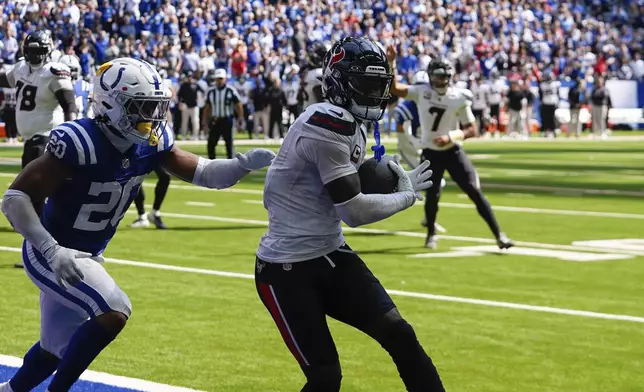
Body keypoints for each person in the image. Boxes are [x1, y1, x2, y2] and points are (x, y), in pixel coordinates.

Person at [0, 57, 275, 392]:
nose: (151, 118)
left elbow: (205, 173)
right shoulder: (79, 141)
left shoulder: (151, 141)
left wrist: (242, 164)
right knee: (115, 310)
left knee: (54, 348)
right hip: (51, 251)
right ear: (111, 106)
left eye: (156, 107)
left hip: (86, 253)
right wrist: (50, 249)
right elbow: (14, 199)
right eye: (142, 107)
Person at [255, 37, 444, 392]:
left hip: (330, 252)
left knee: (401, 335)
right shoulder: (327, 121)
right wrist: (405, 197)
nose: (375, 95)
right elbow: (353, 211)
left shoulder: (350, 120)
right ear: (339, 83)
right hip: (287, 268)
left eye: (379, 85)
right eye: (366, 84)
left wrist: (379, 172)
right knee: (326, 377)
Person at [387, 45, 514, 250]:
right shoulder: (421, 92)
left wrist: (452, 136)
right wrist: (391, 62)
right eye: (438, 77)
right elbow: (394, 89)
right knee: (433, 195)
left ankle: (499, 234)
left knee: (474, 190)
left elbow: (472, 129)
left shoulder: (458, 96)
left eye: (445, 76)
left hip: (453, 151)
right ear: (430, 76)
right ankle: (431, 234)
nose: (442, 81)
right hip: (430, 153)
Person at [0, 31, 79, 269]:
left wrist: (70, 132)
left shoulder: (54, 72)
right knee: (32, 197)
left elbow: (70, 104)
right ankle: (43, 251)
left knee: (31, 196)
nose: (34, 55)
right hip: (32, 140)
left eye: (39, 51)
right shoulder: (21, 68)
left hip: (47, 138)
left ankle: (43, 252)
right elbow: (5, 80)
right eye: (31, 51)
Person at [202, 68, 244, 159]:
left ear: (225, 79)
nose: (219, 80)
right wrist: (204, 121)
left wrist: (240, 118)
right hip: (215, 120)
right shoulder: (211, 91)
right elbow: (207, 108)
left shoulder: (231, 90)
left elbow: (238, 105)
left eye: (221, 78)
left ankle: (231, 165)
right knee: (211, 143)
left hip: (227, 119)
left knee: (229, 144)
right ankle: (211, 163)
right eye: (218, 78)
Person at [59, 54, 93, 119]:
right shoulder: (56, 86)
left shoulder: (85, 86)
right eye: (69, 69)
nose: (71, 73)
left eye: (73, 70)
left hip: (81, 120)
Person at [298, 41, 328, 110]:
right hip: (316, 114)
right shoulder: (318, 73)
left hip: (307, 111)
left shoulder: (308, 72)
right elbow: (322, 103)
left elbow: (299, 98)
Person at [177, 72, 203, 140]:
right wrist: (180, 103)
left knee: (195, 121)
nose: (189, 78)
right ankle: (184, 136)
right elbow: (179, 95)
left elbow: (202, 92)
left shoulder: (196, 84)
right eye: (188, 76)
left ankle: (195, 136)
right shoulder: (183, 85)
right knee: (184, 122)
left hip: (194, 106)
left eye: (191, 76)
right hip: (185, 106)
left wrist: (199, 100)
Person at [538, 73, 560, 138]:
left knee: (552, 118)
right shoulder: (543, 85)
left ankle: (553, 132)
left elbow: (558, 94)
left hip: (552, 103)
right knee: (546, 119)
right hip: (546, 103)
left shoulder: (555, 84)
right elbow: (540, 95)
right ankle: (547, 132)